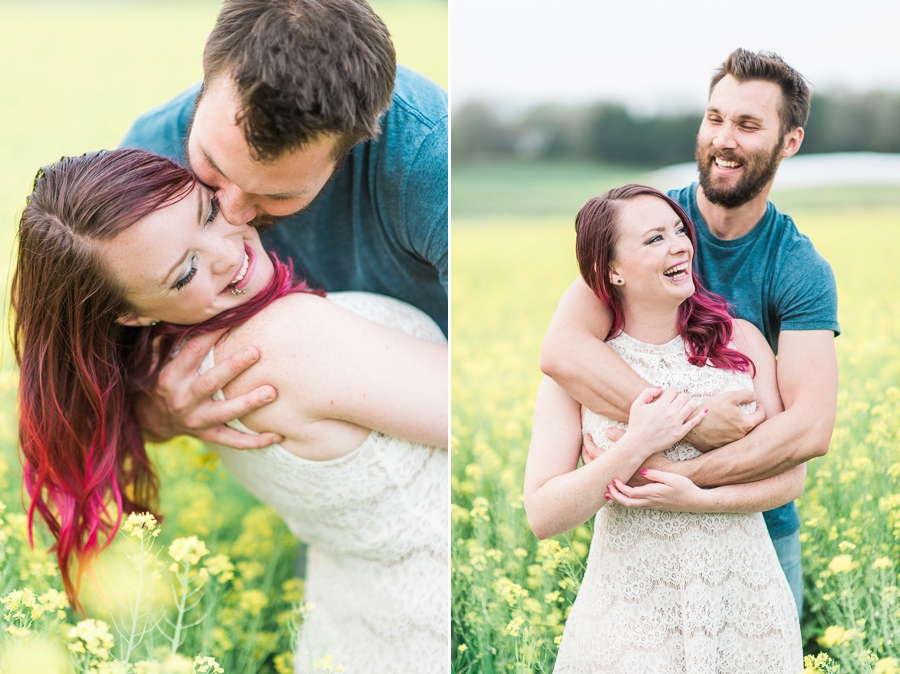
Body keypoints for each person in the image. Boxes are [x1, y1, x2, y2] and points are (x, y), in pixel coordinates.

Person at [12, 148, 448, 673]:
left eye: (208, 213)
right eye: (186, 271)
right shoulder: (286, 339)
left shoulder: (161, 366)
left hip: (352, 638)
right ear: (129, 314)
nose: (226, 252)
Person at [539, 49, 839, 615]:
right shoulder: (647, 226)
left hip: (760, 527)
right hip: (639, 539)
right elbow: (563, 349)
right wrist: (692, 424)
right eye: (715, 118)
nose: (723, 138)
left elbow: (809, 430)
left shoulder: (798, 268)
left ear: (790, 141)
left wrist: (684, 479)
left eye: (748, 125)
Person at [120, 0, 448, 450]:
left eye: (276, 196)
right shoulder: (149, 155)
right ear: (209, 67)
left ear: (358, 141)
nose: (232, 217)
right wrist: (157, 414)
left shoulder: (431, 160)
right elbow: (98, 387)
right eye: (211, 165)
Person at [524, 184, 803, 673]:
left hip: (741, 603)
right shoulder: (582, 372)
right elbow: (543, 515)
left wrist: (696, 496)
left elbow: (789, 479)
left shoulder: (742, 343)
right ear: (611, 270)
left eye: (679, 230)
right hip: (630, 615)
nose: (680, 245)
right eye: (654, 239)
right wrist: (637, 444)